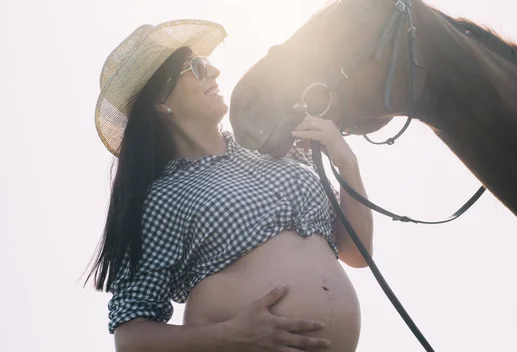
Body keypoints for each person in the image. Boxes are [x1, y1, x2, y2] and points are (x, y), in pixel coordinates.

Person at [87, 19, 373, 352]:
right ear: (161, 102)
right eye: (195, 67)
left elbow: (357, 252)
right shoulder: (163, 196)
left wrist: (348, 166)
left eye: (206, 63)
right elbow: (131, 337)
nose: (214, 72)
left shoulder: (278, 149)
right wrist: (231, 335)